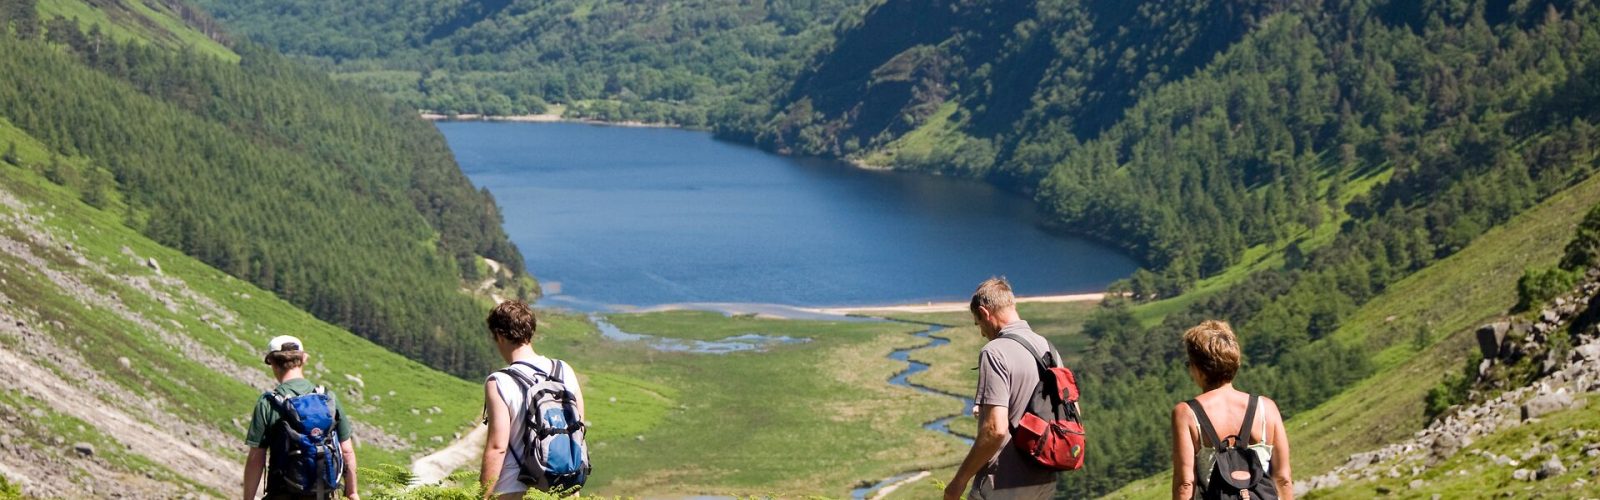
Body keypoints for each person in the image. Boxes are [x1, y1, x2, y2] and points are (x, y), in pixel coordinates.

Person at [945, 278, 1060, 500]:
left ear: (984, 312)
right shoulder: (1048, 349)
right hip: (1044, 480)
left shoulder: (994, 352)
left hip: (1002, 484)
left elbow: (995, 430)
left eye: (978, 324)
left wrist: (958, 482)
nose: (982, 333)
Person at [1170, 320, 1293, 500]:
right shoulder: (1266, 407)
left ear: (1198, 368)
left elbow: (1185, 483)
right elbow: (1283, 478)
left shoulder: (1186, 413)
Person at [480, 300, 588, 498]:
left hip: (514, 488)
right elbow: (578, 429)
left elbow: (498, 447)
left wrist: (482, 496)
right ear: (530, 332)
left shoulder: (499, 381)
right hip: (563, 486)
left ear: (500, 336)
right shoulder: (563, 370)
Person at [243, 335, 359, 500]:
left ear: (273, 363)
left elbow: (257, 457)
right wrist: (352, 492)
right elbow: (347, 451)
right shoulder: (327, 397)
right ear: (304, 359)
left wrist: (248, 497)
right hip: (322, 494)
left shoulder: (268, 402)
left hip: (282, 494)